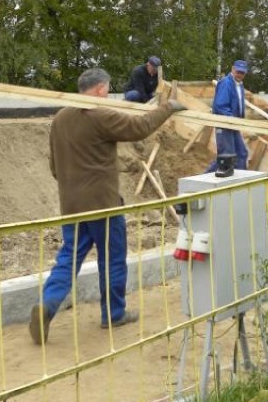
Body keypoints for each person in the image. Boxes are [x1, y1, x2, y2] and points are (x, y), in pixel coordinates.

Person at [30, 67, 186, 344]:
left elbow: (54, 166)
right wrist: (168, 108)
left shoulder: (60, 118)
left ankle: (47, 304)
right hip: (103, 205)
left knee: (68, 258)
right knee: (112, 258)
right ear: (101, 89)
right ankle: (113, 313)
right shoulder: (100, 114)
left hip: (72, 206)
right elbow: (138, 128)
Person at [205, 60, 249, 173]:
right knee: (226, 156)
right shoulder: (226, 83)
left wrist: (240, 119)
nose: (240, 74)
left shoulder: (239, 85)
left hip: (233, 124)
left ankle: (241, 181)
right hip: (224, 124)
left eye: (242, 73)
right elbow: (220, 106)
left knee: (241, 153)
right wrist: (233, 118)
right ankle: (203, 180)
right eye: (238, 72)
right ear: (233, 69)